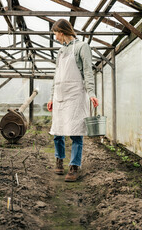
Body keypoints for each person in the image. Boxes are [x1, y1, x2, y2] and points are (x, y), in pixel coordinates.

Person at [47, 19, 98, 182]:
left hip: (75, 95)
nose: (55, 37)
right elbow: (56, 76)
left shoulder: (82, 47)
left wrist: (91, 93)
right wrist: (51, 97)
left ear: (61, 32)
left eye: (55, 33)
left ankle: (74, 166)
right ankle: (59, 159)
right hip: (60, 96)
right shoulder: (61, 51)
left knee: (76, 131)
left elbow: (88, 72)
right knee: (57, 131)